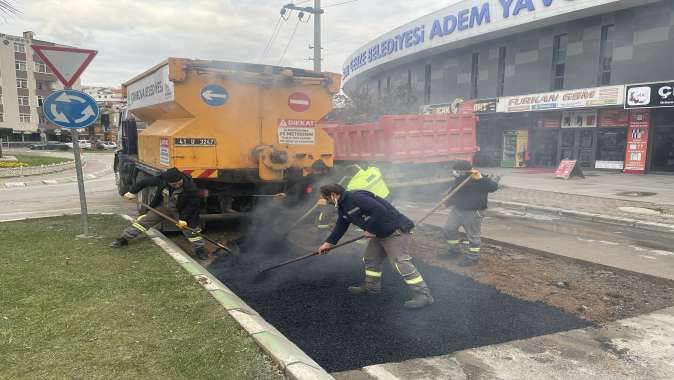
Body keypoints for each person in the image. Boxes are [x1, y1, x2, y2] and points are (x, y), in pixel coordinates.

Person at [318, 184, 434, 309]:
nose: (327, 202)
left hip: (395, 231)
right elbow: (341, 224)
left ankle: (424, 295)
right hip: (380, 233)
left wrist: (370, 228)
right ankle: (372, 288)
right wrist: (328, 243)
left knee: (400, 262)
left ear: (334, 194)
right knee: (371, 258)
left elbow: (380, 210)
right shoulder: (342, 206)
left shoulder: (356, 197)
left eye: (327, 199)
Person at [110, 167, 208, 260]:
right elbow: (144, 182)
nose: (177, 186)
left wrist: (183, 219)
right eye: (174, 185)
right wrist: (132, 192)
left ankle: (200, 249)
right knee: (144, 222)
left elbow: (192, 206)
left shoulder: (190, 188)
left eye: (179, 183)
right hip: (164, 207)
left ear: (182, 179)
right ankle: (124, 239)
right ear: (168, 182)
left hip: (181, 210)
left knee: (190, 230)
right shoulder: (162, 180)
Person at [441, 160, 498, 266]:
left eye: (457, 171)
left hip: (474, 212)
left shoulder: (480, 179)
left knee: (473, 236)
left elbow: (494, 187)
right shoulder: (458, 179)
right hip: (457, 210)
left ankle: (473, 258)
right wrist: (446, 204)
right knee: (448, 229)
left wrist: (481, 179)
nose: (455, 172)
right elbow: (454, 194)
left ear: (463, 171)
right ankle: (455, 251)